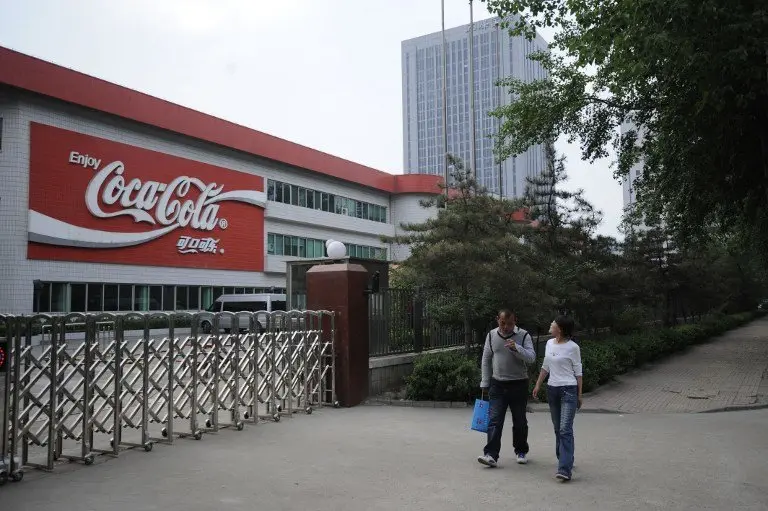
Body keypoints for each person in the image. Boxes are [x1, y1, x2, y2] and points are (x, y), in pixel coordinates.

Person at [477, 309, 537, 467]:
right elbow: (486, 359)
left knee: (520, 420)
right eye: (502, 323)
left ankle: (521, 451)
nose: (506, 327)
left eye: (509, 324)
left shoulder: (523, 335)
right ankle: (491, 454)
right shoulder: (491, 335)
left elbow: (531, 358)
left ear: (515, 321)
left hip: (519, 383)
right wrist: (485, 382)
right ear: (498, 320)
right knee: (494, 420)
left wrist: (517, 348)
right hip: (497, 383)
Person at [532, 315, 583, 481]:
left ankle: (564, 468)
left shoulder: (573, 347)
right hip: (552, 389)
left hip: (568, 389)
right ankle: (565, 458)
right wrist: (538, 384)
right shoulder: (548, 344)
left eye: (553, 323)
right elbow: (546, 366)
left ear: (559, 328)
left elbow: (578, 372)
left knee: (565, 429)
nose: (551, 324)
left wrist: (579, 394)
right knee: (557, 428)